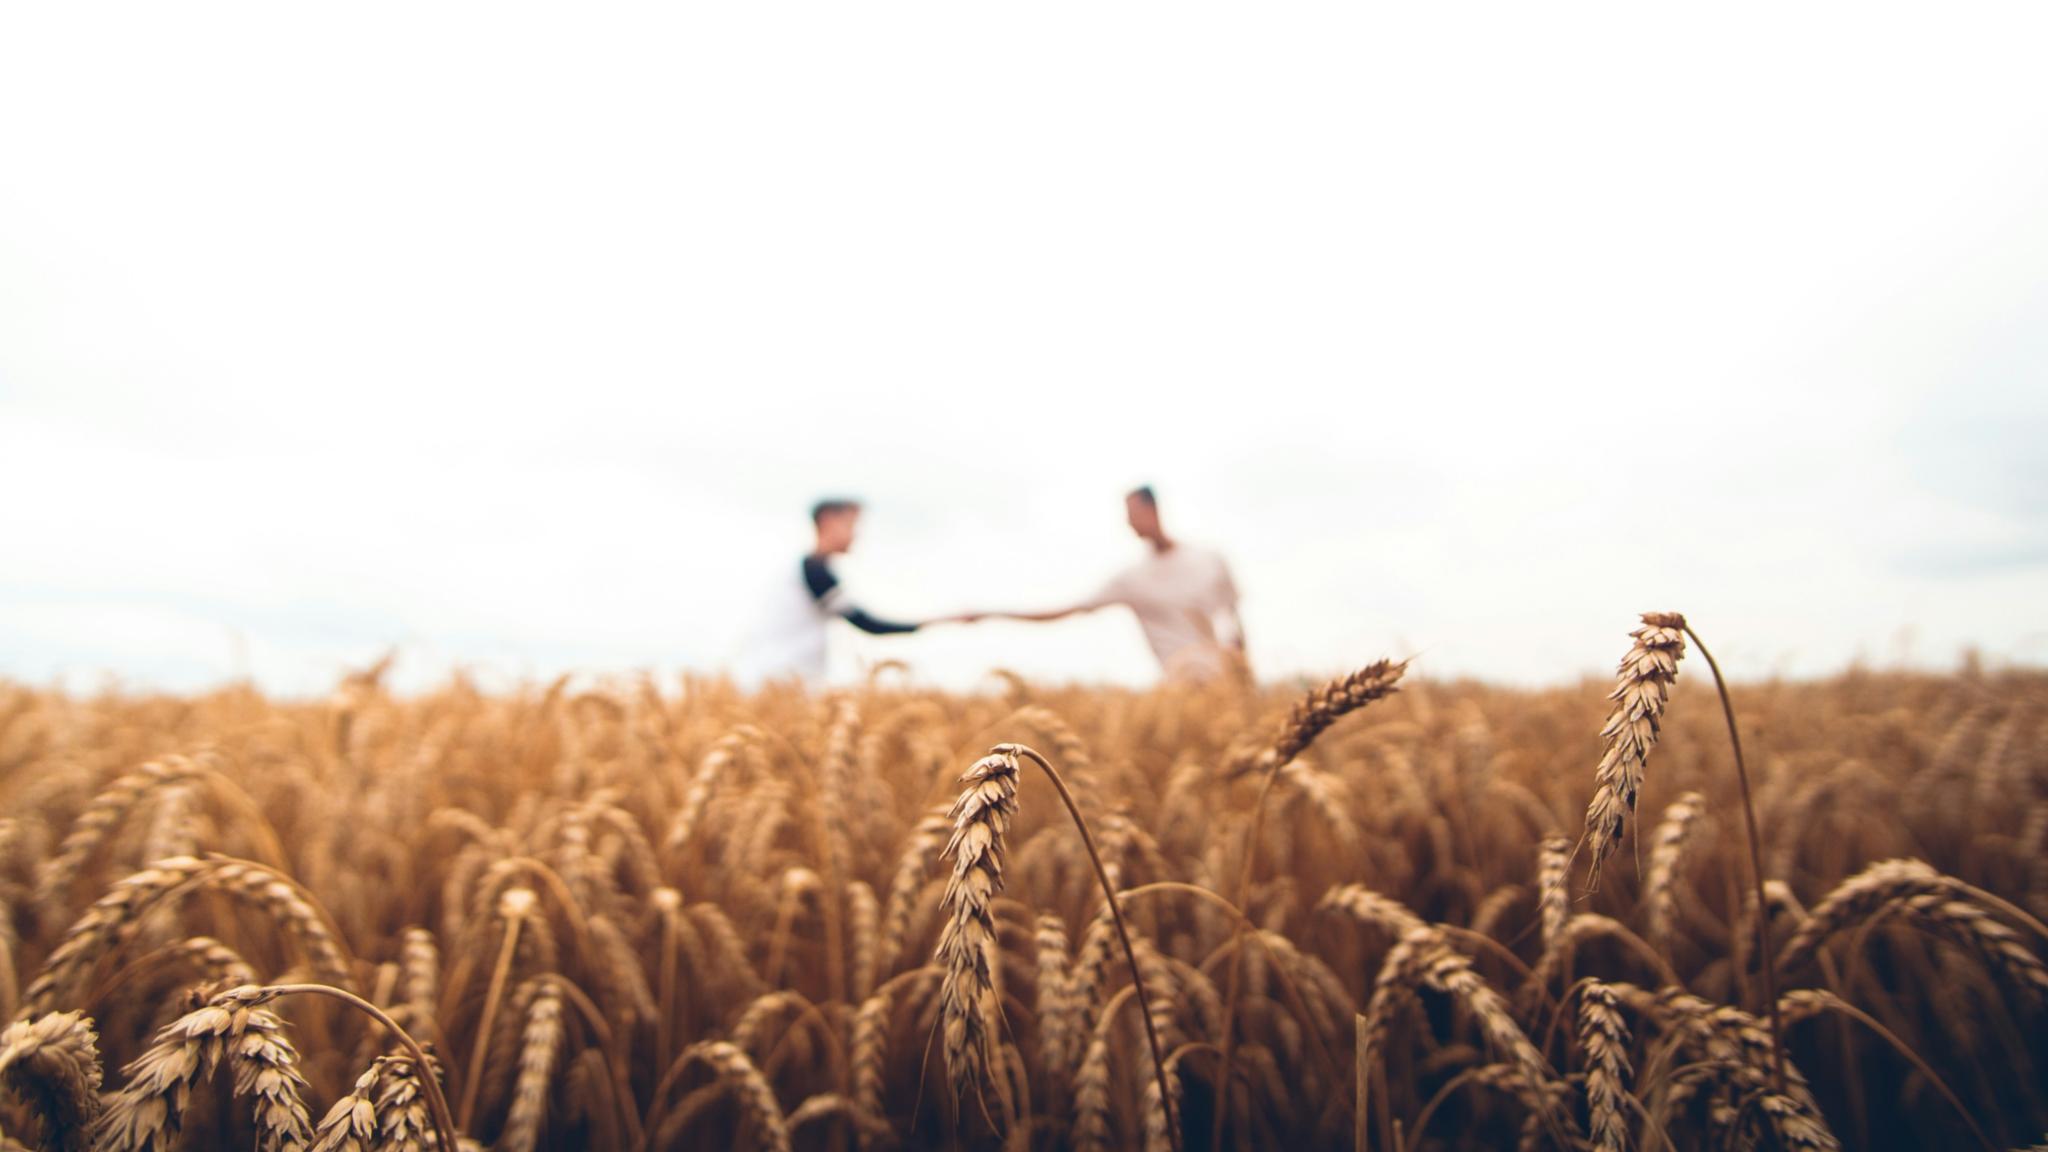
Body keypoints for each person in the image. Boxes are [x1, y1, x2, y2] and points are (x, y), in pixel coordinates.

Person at [968, 486, 1248, 681]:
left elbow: (1234, 620)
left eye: (1132, 513)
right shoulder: (1132, 579)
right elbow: (1067, 610)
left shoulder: (1210, 559)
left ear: (1152, 508)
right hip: (1180, 690)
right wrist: (992, 613)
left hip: (1226, 688)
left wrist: (1244, 671)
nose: (1128, 522)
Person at [741, 498, 959, 686]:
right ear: (827, 521)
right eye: (850, 524)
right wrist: (942, 621)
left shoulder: (806, 570)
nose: (856, 534)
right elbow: (867, 624)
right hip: (783, 680)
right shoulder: (815, 571)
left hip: (780, 678)